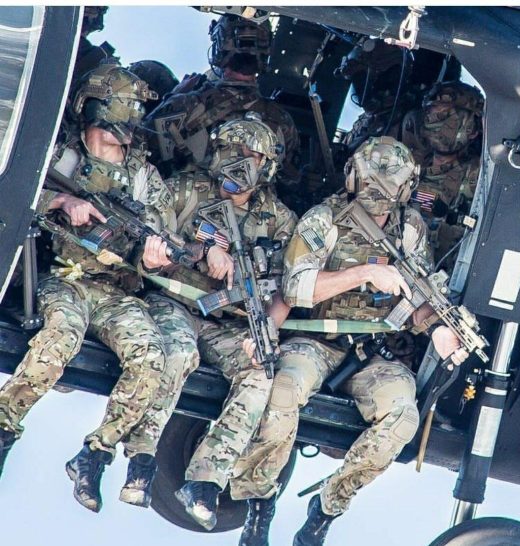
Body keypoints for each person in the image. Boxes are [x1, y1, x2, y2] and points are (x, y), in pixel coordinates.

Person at [230, 137, 469, 546]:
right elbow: (296, 287)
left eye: (388, 188)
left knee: (402, 419)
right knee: (282, 391)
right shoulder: (325, 219)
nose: (379, 197)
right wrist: (361, 274)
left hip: (376, 352)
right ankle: (259, 500)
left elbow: (419, 298)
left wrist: (440, 329)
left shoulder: (408, 229)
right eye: (374, 184)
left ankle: (326, 507)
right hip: (316, 341)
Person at [0, 64, 178, 515]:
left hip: (116, 293)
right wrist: (62, 201)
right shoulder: (59, 158)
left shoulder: (143, 179)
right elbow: (15, 190)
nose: (128, 131)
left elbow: (158, 238)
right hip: (66, 278)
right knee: (58, 341)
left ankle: (95, 453)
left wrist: (152, 256)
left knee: (152, 360)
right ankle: (4, 426)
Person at [122, 114, 297, 524]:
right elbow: (147, 237)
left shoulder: (279, 219)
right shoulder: (186, 191)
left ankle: (205, 480)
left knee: (259, 376)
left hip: (231, 324)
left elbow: (287, 288)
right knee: (177, 354)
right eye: (232, 153)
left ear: (267, 165)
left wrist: (266, 329)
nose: (240, 163)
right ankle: (142, 460)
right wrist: (199, 251)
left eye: (251, 156)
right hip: (176, 304)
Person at [145, 13, 300, 202]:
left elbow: (142, 148)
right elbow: (289, 182)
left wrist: (173, 96)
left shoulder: (185, 105)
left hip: (182, 209)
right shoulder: (283, 122)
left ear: (219, 49)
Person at [407, 81, 484, 269]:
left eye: (448, 117)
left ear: (473, 131)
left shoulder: (479, 178)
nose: (436, 123)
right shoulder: (406, 164)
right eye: (432, 114)